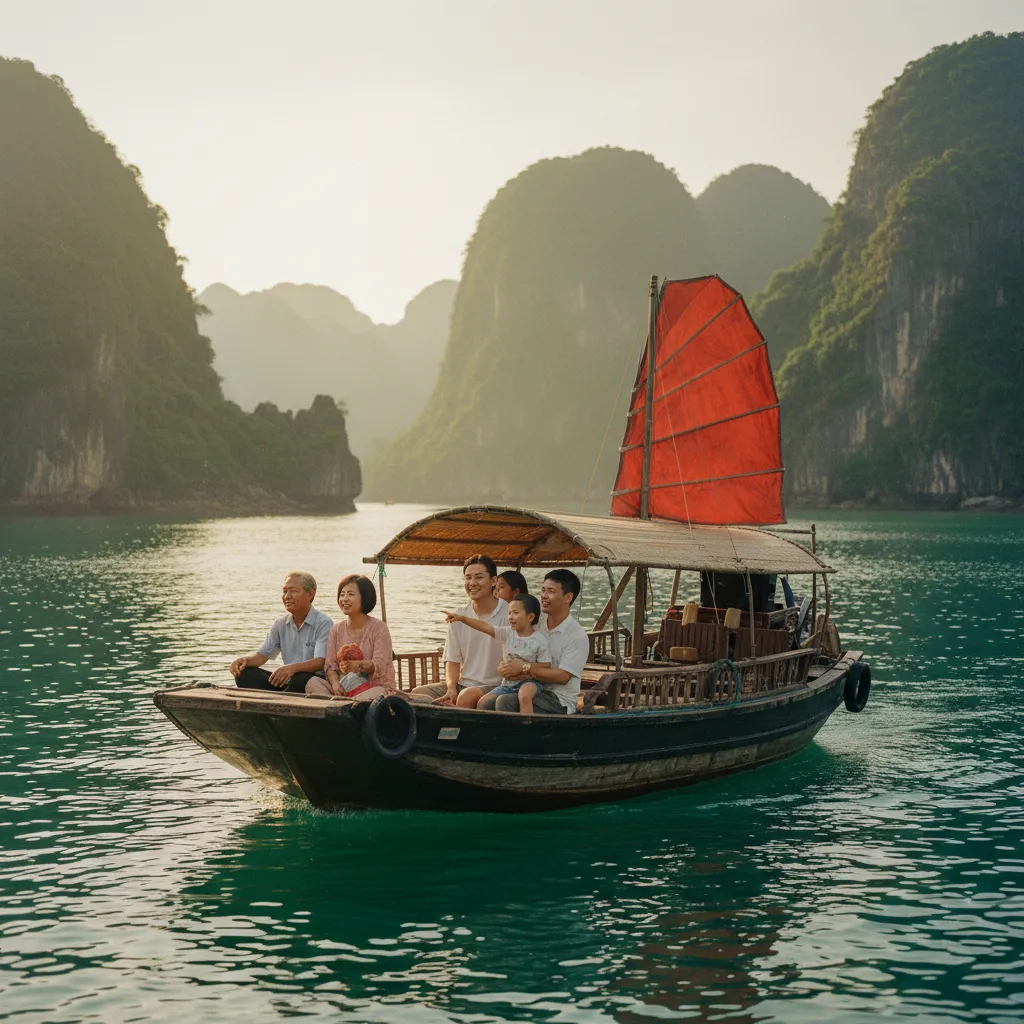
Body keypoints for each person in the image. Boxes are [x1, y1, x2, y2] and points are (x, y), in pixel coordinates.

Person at [479, 569, 589, 715]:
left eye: (550, 591)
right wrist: (505, 667)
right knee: (485, 702)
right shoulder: (534, 621)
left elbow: (563, 677)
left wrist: (525, 668)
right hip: (522, 686)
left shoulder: (577, 636)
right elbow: (513, 650)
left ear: (568, 597)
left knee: (505, 701)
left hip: (557, 698)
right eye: (543, 590)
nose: (543, 596)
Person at [409, 554, 507, 707]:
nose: (472, 583)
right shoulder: (458, 616)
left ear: (494, 581)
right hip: (463, 684)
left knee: (466, 696)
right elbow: (453, 661)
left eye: (479, 577)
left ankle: (453, 728)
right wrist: (451, 688)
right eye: (468, 578)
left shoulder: (509, 614)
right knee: (417, 693)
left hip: (496, 686)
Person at [444, 593, 551, 714]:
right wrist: (462, 619)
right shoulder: (507, 633)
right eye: (509, 613)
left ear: (530, 617)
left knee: (524, 694)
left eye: (515, 613)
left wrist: (524, 667)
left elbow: (545, 665)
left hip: (530, 682)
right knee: (484, 702)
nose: (510, 617)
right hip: (508, 684)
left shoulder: (539, 640)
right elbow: (485, 627)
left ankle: (526, 725)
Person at [230, 572, 333, 692]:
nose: (287, 596)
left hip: (311, 682)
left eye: (293, 591)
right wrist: (244, 660)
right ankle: (282, 696)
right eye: (285, 591)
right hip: (288, 681)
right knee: (244, 672)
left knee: (300, 678)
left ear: (310, 594)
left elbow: (320, 662)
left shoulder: (324, 623)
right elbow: (261, 657)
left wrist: (293, 668)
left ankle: (281, 696)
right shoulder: (280, 624)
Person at [306, 575, 397, 699]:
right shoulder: (336, 630)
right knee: (313, 683)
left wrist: (357, 665)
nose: (344, 599)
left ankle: (343, 705)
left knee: (379, 693)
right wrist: (335, 684)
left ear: (364, 598)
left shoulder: (380, 628)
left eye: (351, 594)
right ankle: (342, 704)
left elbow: (379, 665)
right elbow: (330, 666)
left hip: (373, 688)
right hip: (344, 688)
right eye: (342, 594)